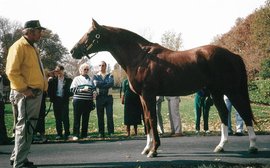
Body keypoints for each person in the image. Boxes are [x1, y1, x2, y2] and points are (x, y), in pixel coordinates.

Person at [6, 20, 48, 168]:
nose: (41, 34)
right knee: (25, 127)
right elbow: (11, 72)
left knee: (26, 127)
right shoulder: (18, 47)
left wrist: (44, 78)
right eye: (39, 31)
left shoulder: (31, 47)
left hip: (32, 92)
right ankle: (19, 162)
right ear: (29, 32)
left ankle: (17, 157)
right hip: (27, 93)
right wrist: (24, 89)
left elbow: (30, 71)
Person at [70, 63, 96, 140]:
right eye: (85, 69)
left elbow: (93, 89)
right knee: (77, 117)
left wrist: (94, 92)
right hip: (78, 100)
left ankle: (84, 134)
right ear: (81, 70)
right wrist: (81, 90)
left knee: (86, 118)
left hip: (88, 101)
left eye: (87, 69)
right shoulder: (76, 79)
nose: (86, 71)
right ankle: (76, 134)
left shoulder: (90, 79)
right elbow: (72, 89)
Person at [48, 65, 72, 140]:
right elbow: (49, 91)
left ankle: (67, 134)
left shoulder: (68, 80)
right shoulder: (52, 80)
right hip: (56, 100)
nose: (57, 72)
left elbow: (71, 91)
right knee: (57, 118)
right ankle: (59, 134)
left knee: (65, 117)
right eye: (56, 71)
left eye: (59, 70)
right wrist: (52, 99)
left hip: (64, 100)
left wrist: (67, 95)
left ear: (62, 70)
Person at [93, 61, 114, 138]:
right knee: (100, 116)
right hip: (99, 97)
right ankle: (101, 132)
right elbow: (95, 85)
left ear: (105, 66)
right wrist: (105, 84)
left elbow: (111, 84)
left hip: (108, 97)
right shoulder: (95, 76)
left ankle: (111, 132)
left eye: (103, 65)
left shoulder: (110, 75)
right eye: (100, 65)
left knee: (109, 115)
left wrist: (100, 84)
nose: (101, 67)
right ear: (98, 66)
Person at [0, 70, 10, 145]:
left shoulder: (2, 78)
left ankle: (3, 138)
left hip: (0, 101)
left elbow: (7, 83)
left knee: (1, 121)